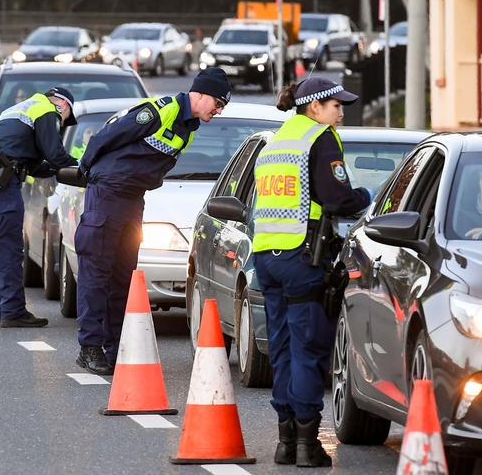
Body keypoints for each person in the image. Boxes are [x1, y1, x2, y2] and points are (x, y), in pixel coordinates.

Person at [75, 68, 232, 375]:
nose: (219, 109)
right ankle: (90, 348)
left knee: (123, 275)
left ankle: (115, 345)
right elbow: (107, 137)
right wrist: (88, 172)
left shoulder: (188, 126)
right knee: (97, 272)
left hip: (132, 199)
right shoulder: (161, 111)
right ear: (198, 94)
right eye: (217, 101)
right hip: (108, 194)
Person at [252, 78, 371, 467]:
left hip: (268, 259)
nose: (341, 112)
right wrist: (365, 198)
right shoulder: (320, 139)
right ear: (314, 107)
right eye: (337, 105)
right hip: (302, 258)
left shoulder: (277, 141)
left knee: (283, 350)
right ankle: (307, 444)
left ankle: (286, 441)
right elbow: (337, 198)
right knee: (309, 350)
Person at [0, 87, 78, 327]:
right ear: (62, 104)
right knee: (9, 245)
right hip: (1, 179)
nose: (62, 122)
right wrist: (80, 167)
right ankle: (12, 311)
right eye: (65, 117)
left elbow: (27, 159)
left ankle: (1, 309)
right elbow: (55, 155)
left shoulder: (16, 110)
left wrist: (50, 168)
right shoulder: (47, 110)